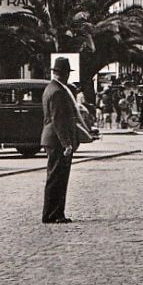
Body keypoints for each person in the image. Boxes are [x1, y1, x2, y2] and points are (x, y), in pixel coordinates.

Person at [41, 57, 92, 224]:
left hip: (52, 138)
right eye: (66, 73)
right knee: (58, 178)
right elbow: (59, 120)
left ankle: (54, 213)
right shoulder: (57, 92)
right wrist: (66, 143)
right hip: (57, 140)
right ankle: (53, 214)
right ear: (62, 74)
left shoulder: (51, 88)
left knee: (56, 177)